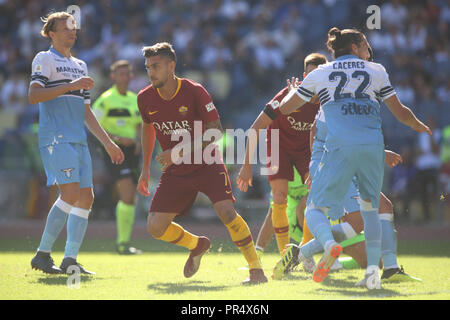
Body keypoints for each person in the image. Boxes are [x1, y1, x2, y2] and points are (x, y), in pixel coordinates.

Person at [276, 27, 431, 290]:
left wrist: (297, 90)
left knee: (317, 210)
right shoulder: (377, 71)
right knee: (374, 212)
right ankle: (374, 272)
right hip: (370, 148)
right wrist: (419, 126)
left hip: (337, 154)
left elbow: (286, 109)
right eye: (366, 45)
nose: (370, 50)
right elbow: (401, 112)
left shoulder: (321, 77)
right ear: (356, 46)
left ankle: (321, 248)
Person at [136, 42, 267, 285]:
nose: (151, 72)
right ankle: (197, 245)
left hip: (206, 162)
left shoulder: (195, 91)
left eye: (156, 66)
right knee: (155, 228)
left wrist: (178, 150)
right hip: (176, 170)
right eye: (147, 67)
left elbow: (216, 132)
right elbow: (147, 128)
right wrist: (145, 168)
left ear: (171, 66)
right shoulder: (144, 98)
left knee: (227, 213)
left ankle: (256, 269)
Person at [29, 12, 124, 274]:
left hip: (78, 140)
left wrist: (108, 143)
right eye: (65, 29)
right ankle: (42, 254)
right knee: (69, 194)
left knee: (86, 197)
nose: (72, 33)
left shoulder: (81, 65)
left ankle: (70, 259)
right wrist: (71, 85)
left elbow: (86, 111)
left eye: (74, 29)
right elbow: (34, 95)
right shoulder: (44, 58)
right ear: (51, 33)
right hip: (56, 137)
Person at [237, 53, 325, 256]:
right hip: (278, 146)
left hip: (306, 149)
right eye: (311, 76)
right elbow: (256, 127)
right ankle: (286, 257)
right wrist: (247, 165)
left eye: (320, 76)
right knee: (278, 197)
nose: (315, 82)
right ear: (304, 76)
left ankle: (304, 253)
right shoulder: (287, 96)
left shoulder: (328, 101)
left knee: (315, 196)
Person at [92, 60, 143, 255]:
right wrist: (115, 139)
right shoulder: (105, 100)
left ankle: (123, 242)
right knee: (128, 194)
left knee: (130, 198)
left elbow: (140, 125)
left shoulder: (135, 99)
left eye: (127, 74)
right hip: (114, 151)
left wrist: (138, 140)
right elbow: (93, 125)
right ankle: (122, 243)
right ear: (113, 76)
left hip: (132, 153)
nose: (125, 77)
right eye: (120, 74)